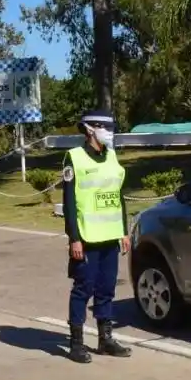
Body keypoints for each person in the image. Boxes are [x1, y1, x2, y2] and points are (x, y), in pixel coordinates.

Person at [61, 109, 132, 364]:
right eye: (105, 127)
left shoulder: (112, 156)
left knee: (106, 289)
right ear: (90, 129)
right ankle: (76, 343)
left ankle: (105, 339)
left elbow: (118, 196)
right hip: (87, 237)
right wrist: (74, 238)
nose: (109, 133)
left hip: (110, 236)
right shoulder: (74, 157)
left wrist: (124, 230)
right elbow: (69, 202)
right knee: (83, 289)